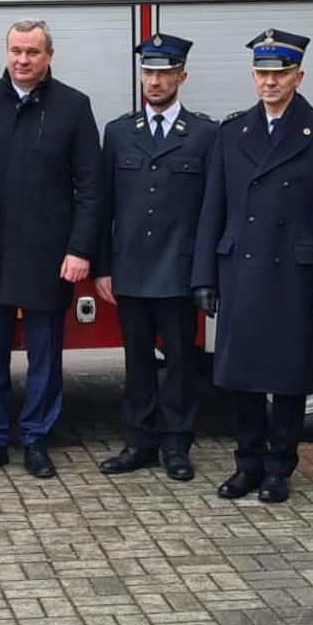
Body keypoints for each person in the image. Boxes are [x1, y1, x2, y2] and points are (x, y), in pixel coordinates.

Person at [193, 29, 313, 504]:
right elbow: (213, 209)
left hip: (294, 276)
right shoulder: (232, 131)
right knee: (241, 375)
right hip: (240, 271)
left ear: (298, 76)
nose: (270, 81)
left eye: (280, 73)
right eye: (262, 73)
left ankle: (280, 466)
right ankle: (246, 463)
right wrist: (203, 275)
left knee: (287, 377)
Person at [0, 19, 104, 480]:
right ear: (6, 53)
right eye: (16, 51)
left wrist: (80, 249)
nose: (23, 60)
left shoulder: (74, 107)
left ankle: (37, 438)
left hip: (50, 255)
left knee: (45, 354)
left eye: (33, 52)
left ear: (49, 56)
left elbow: (92, 186)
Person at [93, 33, 215, 482]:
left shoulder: (205, 134)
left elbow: (211, 211)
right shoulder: (119, 131)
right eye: (149, 72)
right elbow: (103, 205)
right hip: (130, 268)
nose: (155, 81)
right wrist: (103, 266)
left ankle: (177, 445)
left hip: (179, 271)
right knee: (137, 360)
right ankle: (140, 441)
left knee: (182, 362)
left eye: (164, 72)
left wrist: (205, 273)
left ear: (182, 76)